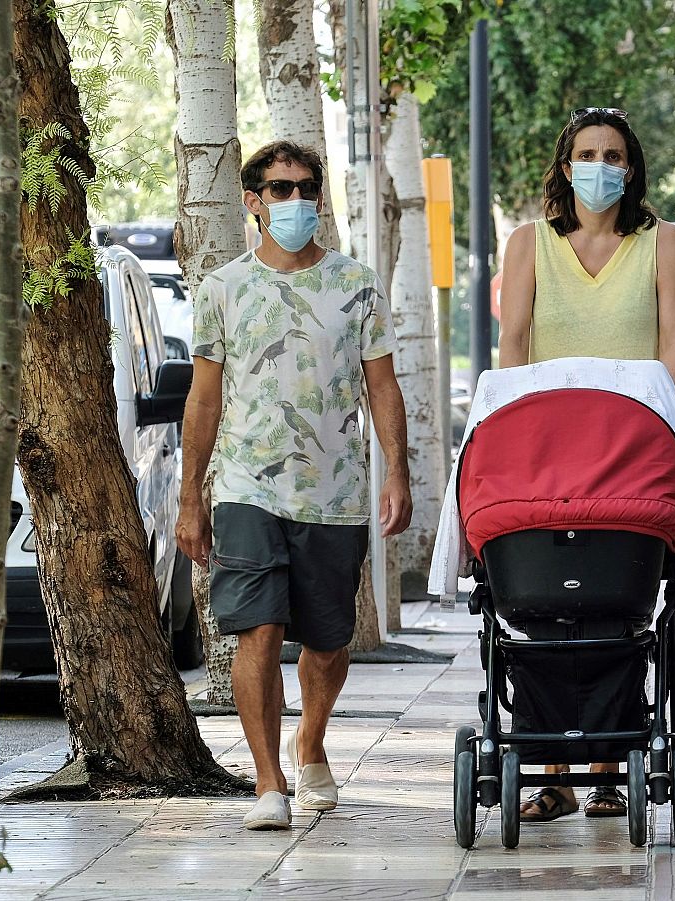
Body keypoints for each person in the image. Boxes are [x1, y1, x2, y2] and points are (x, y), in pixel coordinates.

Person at [176, 141, 414, 830]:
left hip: (335, 494)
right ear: (253, 201)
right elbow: (203, 399)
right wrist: (192, 496)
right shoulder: (222, 289)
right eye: (280, 190)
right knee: (257, 630)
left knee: (328, 641)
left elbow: (383, 386)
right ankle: (268, 781)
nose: (296, 201)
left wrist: (397, 471)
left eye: (307, 188)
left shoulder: (358, 284)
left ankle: (310, 739)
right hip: (248, 488)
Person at [498, 106, 675, 821]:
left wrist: (655, 425)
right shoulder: (529, 244)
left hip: (631, 455)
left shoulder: (662, 242)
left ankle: (613, 769)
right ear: (565, 162)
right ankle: (554, 774)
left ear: (632, 166)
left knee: (618, 608)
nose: (601, 166)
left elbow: (674, 345)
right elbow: (513, 345)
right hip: (547, 453)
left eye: (614, 154)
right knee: (545, 608)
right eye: (588, 152)